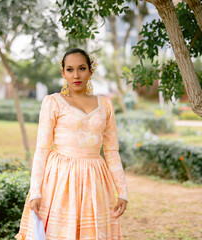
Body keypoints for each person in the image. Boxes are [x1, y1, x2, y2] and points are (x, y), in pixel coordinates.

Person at [15, 48, 129, 240]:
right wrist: (35, 191)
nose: (76, 75)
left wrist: (123, 191)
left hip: (95, 180)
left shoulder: (105, 105)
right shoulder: (53, 102)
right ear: (63, 73)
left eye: (82, 68)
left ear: (90, 71)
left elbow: (111, 151)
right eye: (70, 69)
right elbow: (42, 149)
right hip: (60, 180)